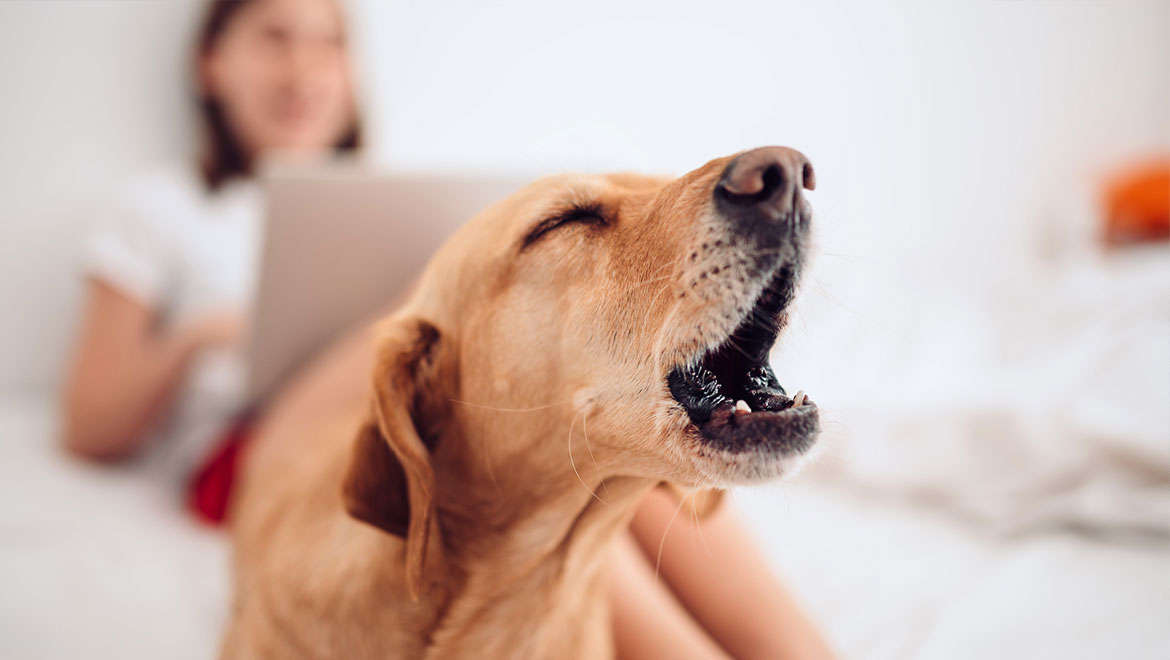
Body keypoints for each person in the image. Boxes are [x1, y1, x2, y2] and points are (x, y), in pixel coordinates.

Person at [60, 1, 835, 657]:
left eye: (328, 44)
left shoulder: (393, 194)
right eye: (275, 39)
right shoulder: (162, 208)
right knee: (539, 469)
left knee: (604, 452)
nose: (303, 69)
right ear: (210, 65)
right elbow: (89, 423)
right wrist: (203, 335)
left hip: (446, 402)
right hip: (254, 442)